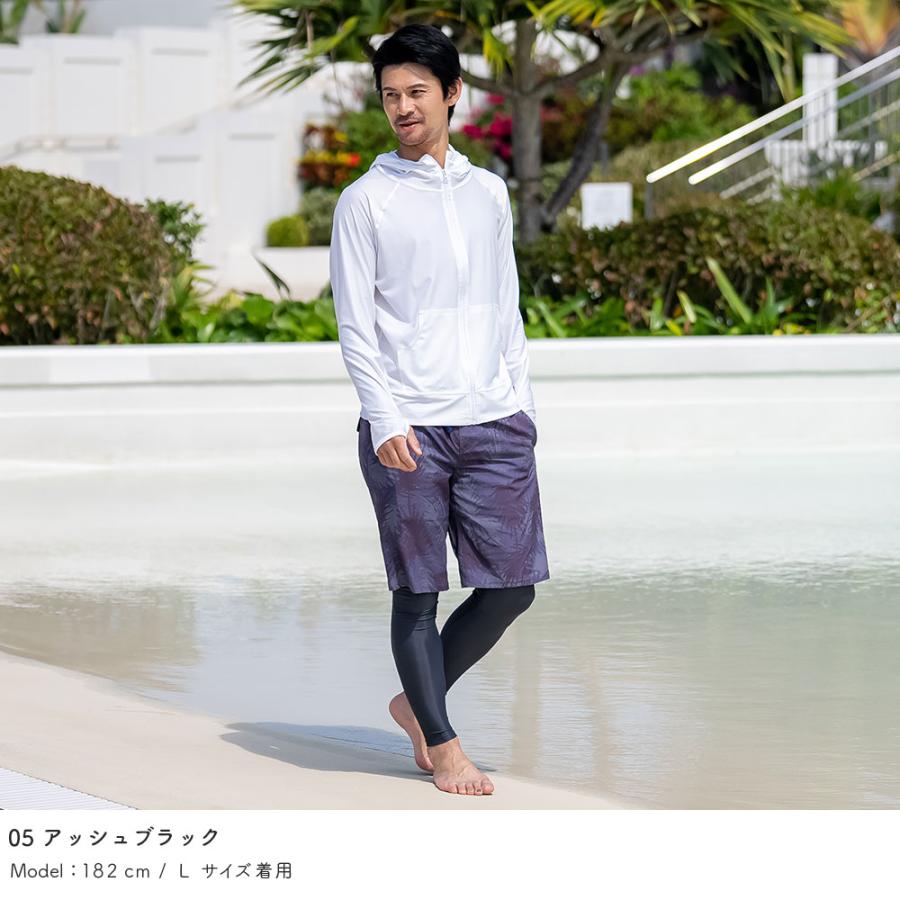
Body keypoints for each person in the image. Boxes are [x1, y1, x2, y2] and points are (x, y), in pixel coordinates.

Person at [329, 23, 550, 797]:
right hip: (409, 428)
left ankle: (414, 704)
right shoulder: (365, 202)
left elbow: (504, 305)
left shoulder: (488, 193)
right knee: (417, 592)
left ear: (453, 93)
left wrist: (521, 404)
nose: (403, 108)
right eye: (391, 95)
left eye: (417, 92)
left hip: (493, 418)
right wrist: (386, 419)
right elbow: (355, 324)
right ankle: (444, 743)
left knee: (513, 586)